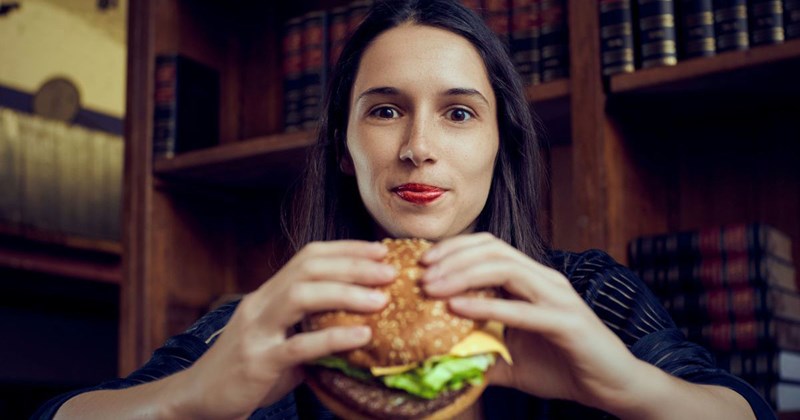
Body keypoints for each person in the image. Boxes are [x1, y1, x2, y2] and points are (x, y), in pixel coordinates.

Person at [38, 0, 773, 418]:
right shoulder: (272, 320)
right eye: (385, 110)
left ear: (500, 143)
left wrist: (624, 384)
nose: (419, 147)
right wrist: (187, 400)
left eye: (459, 114)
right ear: (341, 145)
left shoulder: (586, 295)